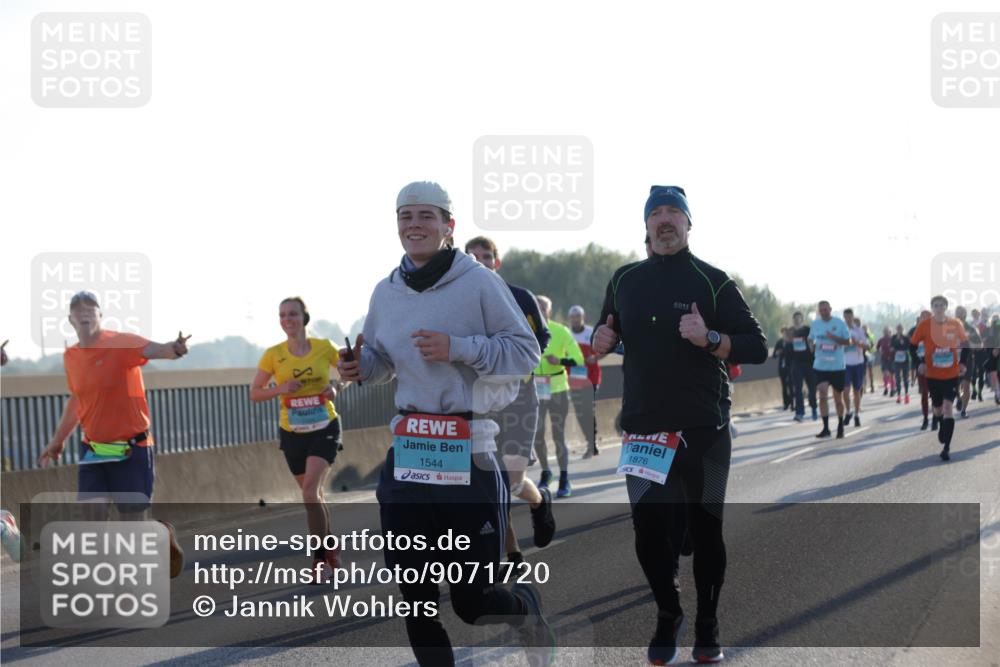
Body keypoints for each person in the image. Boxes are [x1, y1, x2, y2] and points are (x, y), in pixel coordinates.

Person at [335, 181, 552, 667]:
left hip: (469, 449)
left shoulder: (479, 282)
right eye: (405, 216)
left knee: (474, 603)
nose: (414, 225)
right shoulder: (385, 291)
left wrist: (459, 347)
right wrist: (359, 367)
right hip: (411, 451)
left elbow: (526, 353)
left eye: (426, 216)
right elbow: (382, 361)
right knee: (416, 600)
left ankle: (527, 613)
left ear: (448, 225)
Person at [592, 185, 767, 664]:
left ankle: (708, 624)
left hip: (703, 429)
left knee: (706, 531)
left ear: (689, 224)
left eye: (674, 212)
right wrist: (601, 339)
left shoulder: (713, 281)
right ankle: (668, 613)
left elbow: (757, 346)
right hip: (644, 430)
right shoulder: (624, 279)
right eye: (657, 213)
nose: (665, 219)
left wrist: (709, 337)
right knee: (649, 533)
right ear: (646, 225)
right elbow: (608, 330)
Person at [36, 291, 187, 578]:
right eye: (78, 309)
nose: (84, 312)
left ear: (100, 315)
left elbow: (158, 350)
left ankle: (160, 534)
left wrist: (176, 348)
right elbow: (77, 400)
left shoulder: (121, 343)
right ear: (70, 319)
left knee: (132, 527)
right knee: (92, 523)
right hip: (94, 449)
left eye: (90, 308)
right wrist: (57, 441)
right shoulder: (71, 357)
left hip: (132, 447)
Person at [464, 235, 556, 566]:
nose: (480, 263)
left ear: (497, 262)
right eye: (472, 258)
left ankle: (539, 501)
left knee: (513, 481)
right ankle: (513, 554)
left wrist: (520, 362)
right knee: (494, 482)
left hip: (520, 397)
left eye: (486, 257)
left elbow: (543, 336)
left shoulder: (519, 296)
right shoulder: (460, 301)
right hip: (482, 401)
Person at [250, 297, 344, 577]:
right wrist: (281, 389)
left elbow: (349, 371)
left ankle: (319, 560)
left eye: (292, 314)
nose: (287, 319)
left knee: (309, 493)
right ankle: (329, 545)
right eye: (282, 315)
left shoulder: (324, 347)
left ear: (304, 317)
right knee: (314, 496)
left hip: (324, 427)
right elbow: (255, 393)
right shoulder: (273, 354)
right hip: (292, 432)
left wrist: (337, 387)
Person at [532, 295, 585, 498]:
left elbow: (579, 359)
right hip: (536, 389)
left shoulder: (560, 331)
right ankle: (546, 472)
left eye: (543, 308)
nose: (540, 310)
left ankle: (564, 478)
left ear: (550, 311)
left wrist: (560, 360)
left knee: (558, 435)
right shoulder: (526, 330)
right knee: (537, 435)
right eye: (536, 307)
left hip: (558, 389)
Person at [910, 295, 970, 460]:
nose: (938, 308)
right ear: (932, 308)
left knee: (948, 408)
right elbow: (912, 346)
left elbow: (965, 344)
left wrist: (963, 363)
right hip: (933, 375)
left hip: (951, 374)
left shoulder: (955, 324)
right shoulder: (924, 326)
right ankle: (941, 422)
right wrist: (919, 363)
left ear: (945, 308)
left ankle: (946, 448)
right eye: (935, 305)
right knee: (937, 410)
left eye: (941, 305)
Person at [808, 301, 851, 439]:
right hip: (820, 366)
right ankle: (826, 428)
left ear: (830, 309)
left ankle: (840, 425)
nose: (823, 312)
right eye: (821, 310)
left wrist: (834, 338)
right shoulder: (816, 324)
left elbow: (848, 341)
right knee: (822, 394)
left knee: (838, 399)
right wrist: (811, 345)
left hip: (837, 367)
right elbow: (810, 339)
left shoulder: (839, 323)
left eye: (825, 309)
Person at [567, 305, 603, 458]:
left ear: (583, 318)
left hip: (591, 378)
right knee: (580, 412)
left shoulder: (591, 333)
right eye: (573, 318)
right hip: (574, 379)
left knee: (588, 409)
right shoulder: (567, 334)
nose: (576, 320)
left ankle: (592, 444)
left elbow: (604, 349)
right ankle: (590, 442)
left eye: (578, 317)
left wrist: (595, 357)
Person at [840, 309, 868, 427]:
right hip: (845, 364)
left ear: (852, 317)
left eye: (849, 317)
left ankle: (856, 414)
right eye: (845, 317)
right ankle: (848, 412)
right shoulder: (841, 330)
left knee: (857, 391)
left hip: (858, 363)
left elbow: (867, 345)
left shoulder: (859, 330)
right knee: (845, 390)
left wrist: (857, 343)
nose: (847, 319)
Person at [789, 311, 818, 422]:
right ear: (793, 320)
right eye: (795, 318)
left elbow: (814, 342)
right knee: (798, 389)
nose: (797, 320)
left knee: (812, 388)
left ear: (802, 319)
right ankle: (799, 412)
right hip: (796, 363)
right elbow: (788, 345)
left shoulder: (808, 330)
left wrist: (812, 346)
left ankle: (814, 407)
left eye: (799, 318)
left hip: (809, 362)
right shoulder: (791, 331)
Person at [953, 306, 982, 418]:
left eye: (961, 313)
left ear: (965, 315)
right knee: (955, 384)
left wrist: (969, 344)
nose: (959, 315)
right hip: (953, 360)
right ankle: (958, 398)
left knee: (966, 385)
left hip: (968, 360)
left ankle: (964, 410)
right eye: (957, 313)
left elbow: (980, 345)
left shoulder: (971, 328)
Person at [908, 311, 933, 430]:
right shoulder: (916, 332)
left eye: (927, 317)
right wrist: (918, 363)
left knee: (936, 393)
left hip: (935, 365)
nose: (925, 320)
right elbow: (912, 350)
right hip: (922, 365)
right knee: (924, 393)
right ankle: (926, 418)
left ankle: (936, 417)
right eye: (923, 318)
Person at [890, 324, 911, 405]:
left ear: (903, 329)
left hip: (905, 360)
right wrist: (896, 342)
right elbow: (891, 347)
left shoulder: (906, 337)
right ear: (896, 329)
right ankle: (898, 396)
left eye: (901, 329)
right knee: (897, 378)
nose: (899, 330)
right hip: (896, 360)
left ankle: (906, 395)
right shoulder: (893, 337)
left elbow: (909, 346)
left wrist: (905, 350)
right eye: (898, 329)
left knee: (905, 378)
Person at [773, 328, 793, 411]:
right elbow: (774, 355)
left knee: (791, 384)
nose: (784, 335)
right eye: (783, 333)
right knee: (784, 385)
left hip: (790, 366)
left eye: (786, 333)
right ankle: (786, 403)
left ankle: (792, 403)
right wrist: (778, 352)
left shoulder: (791, 341)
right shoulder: (779, 342)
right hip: (782, 367)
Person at [876, 327, 895, 396]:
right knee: (885, 374)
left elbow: (897, 347)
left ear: (890, 332)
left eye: (887, 331)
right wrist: (880, 351)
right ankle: (886, 387)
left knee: (892, 375)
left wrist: (893, 349)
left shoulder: (893, 339)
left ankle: (892, 389)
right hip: (884, 359)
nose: (886, 333)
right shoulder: (881, 340)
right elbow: (877, 348)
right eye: (884, 331)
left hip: (892, 359)